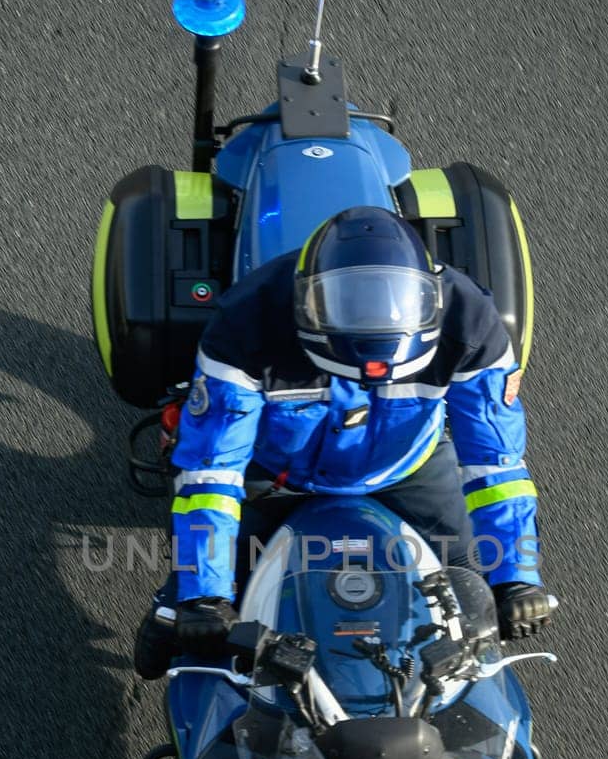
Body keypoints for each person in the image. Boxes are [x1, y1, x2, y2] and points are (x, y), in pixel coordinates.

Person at [134, 206, 555, 678]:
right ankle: (164, 611)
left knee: (475, 595)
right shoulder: (245, 324)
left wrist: (517, 579)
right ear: (304, 306)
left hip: (409, 468)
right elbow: (213, 470)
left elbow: (495, 465)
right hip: (273, 473)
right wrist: (203, 596)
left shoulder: (471, 322)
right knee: (191, 617)